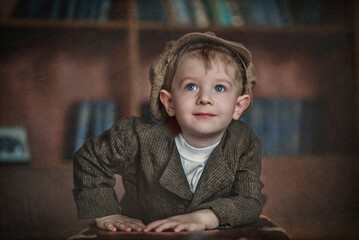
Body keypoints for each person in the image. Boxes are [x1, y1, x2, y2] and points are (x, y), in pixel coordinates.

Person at [72, 32, 263, 233]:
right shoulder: (137, 137)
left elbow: (249, 200)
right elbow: (90, 158)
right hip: (145, 234)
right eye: (191, 86)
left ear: (238, 106)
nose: (205, 98)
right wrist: (106, 212)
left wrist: (205, 217)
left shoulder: (243, 142)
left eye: (220, 88)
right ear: (169, 102)